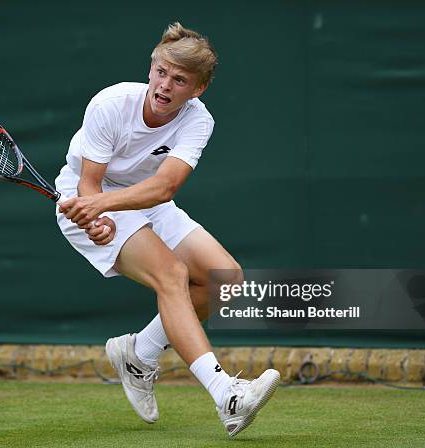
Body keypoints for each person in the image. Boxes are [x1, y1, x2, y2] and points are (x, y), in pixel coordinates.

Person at [56, 22, 279, 437]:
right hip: (87, 193)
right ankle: (227, 395)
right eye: (161, 72)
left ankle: (139, 353)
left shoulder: (198, 120)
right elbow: (90, 183)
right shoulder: (110, 104)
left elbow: (165, 186)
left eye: (179, 80)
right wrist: (97, 218)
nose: (165, 85)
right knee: (173, 276)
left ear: (197, 89)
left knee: (225, 280)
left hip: (143, 200)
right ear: (151, 67)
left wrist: (101, 207)